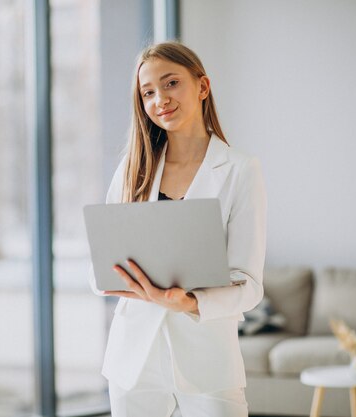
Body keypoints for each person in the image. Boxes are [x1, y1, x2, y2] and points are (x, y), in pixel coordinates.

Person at [89, 41, 267, 417]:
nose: (160, 100)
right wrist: (122, 278)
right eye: (148, 92)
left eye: (171, 84)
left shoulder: (240, 169)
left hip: (209, 361)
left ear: (202, 87)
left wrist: (185, 302)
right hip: (133, 361)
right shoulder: (133, 168)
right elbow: (100, 266)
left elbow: (248, 286)